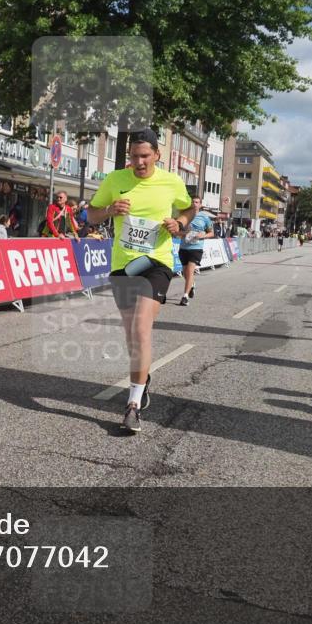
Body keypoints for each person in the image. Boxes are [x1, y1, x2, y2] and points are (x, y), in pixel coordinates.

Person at [86, 128, 197, 434]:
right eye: (134, 156)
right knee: (131, 335)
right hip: (123, 265)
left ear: (157, 155)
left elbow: (189, 207)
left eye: (145, 156)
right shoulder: (115, 180)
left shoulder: (171, 182)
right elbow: (91, 216)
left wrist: (180, 222)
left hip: (155, 263)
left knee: (140, 328)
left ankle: (133, 404)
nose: (139, 162)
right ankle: (143, 379)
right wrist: (109, 210)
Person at [178, 196, 214, 306]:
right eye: (193, 202)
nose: (194, 204)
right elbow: (177, 231)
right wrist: (184, 233)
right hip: (183, 247)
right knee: (185, 273)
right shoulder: (183, 215)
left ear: (200, 204)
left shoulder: (204, 217)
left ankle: (185, 297)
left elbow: (211, 233)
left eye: (197, 202)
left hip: (196, 248)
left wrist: (202, 236)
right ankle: (192, 284)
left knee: (190, 271)